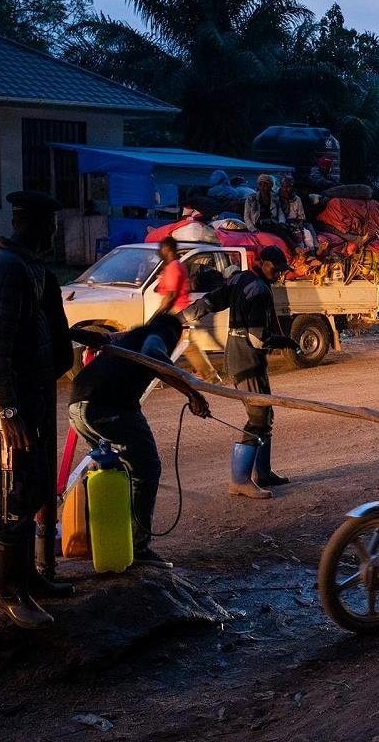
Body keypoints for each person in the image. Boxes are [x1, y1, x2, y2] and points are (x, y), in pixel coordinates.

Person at [0, 190, 75, 629]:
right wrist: (5, 411)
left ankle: (30, 577)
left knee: (33, 490)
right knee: (13, 496)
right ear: (29, 224)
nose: (53, 234)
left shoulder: (31, 269)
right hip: (11, 407)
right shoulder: (3, 270)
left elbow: (41, 327)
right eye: (49, 226)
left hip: (33, 398)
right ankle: (9, 595)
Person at [68, 316, 211, 569]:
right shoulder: (159, 335)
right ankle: (138, 546)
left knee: (112, 470)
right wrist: (192, 392)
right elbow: (153, 355)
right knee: (145, 469)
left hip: (78, 406)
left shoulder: (132, 335)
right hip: (109, 407)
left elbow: (101, 339)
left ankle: (103, 540)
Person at [182, 245, 298, 499]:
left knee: (265, 413)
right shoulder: (258, 290)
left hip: (239, 358)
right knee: (257, 418)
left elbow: (211, 302)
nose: (278, 275)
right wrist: (284, 342)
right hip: (247, 361)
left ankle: (263, 473)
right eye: (276, 270)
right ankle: (240, 480)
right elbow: (258, 339)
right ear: (264, 263)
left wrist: (184, 317)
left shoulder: (239, 279)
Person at [153, 236, 222, 383]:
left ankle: (211, 376)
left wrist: (157, 315)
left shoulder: (173, 267)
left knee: (187, 345)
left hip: (177, 310)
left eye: (161, 248)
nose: (159, 252)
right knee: (183, 344)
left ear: (167, 249)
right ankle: (208, 375)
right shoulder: (173, 266)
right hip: (178, 309)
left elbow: (171, 296)